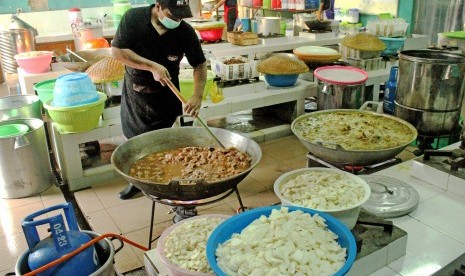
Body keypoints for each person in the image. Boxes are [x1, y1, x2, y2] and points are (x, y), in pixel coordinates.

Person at [111, 0, 208, 200]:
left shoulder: (184, 32)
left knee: (168, 142)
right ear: (158, 6)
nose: (177, 20)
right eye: (172, 15)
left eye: (181, 16)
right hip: (137, 92)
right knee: (133, 139)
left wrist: (197, 95)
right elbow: (118, 52)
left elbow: (200, 64)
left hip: (168, 95)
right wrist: (152, 66)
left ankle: (168, 182)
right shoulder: (134, 19)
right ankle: (135, 182)